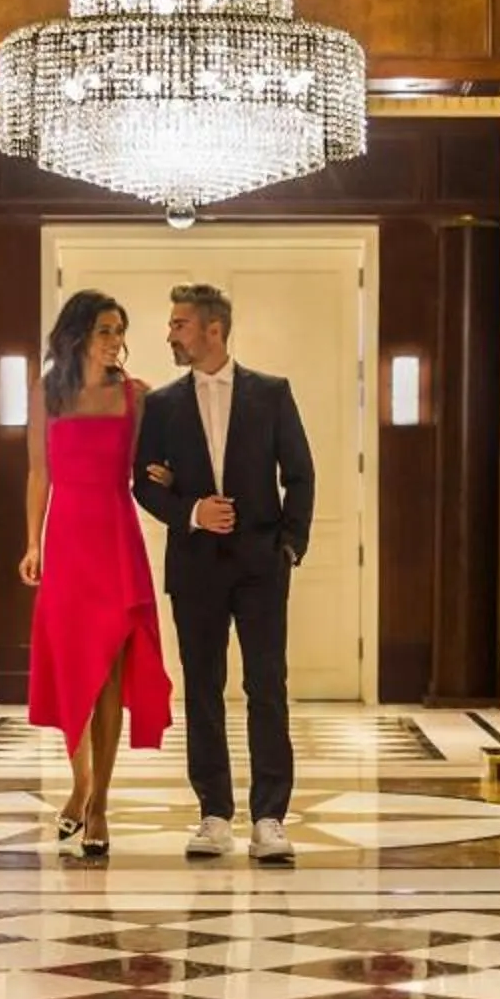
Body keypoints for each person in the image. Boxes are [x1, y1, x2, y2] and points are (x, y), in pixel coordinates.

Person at [131, 283, 316, 865]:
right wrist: (191, 511)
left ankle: (269, 818)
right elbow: (142, 483)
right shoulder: (160, 405)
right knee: (203, 690)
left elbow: (301, 475)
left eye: (179, 324)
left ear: (213, 330)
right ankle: (214, 814)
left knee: (267, 688)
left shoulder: (272, 393)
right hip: (195, 570)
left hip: (262, 566)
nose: (170, 334)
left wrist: (289, 544)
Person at [19, 289, 173, 858]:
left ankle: (101, 801)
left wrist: (167, 475)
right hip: (66, 541)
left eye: (119, 331)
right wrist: (32, 543)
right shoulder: (47, 393)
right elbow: (39, 474)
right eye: (106, 330)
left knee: (109, 671)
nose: (115, 341)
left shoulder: (138, 397)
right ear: (79, 333)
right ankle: (80, 782)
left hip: (114, 537)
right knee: (72, 671)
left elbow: (151, 469)